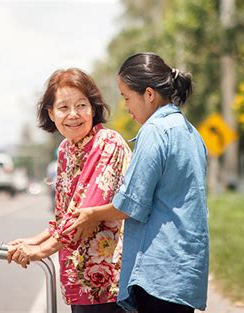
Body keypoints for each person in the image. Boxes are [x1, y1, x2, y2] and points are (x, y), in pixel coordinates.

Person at [65, 52, 209, 313]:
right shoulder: (190, 131)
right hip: (184, 268)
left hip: (158, 272)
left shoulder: (155, 132)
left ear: (149, 95)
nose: (126, 106)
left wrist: (91, 214)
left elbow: (130, 204)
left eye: (127, 97)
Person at [7, 68, 132, 313]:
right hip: (78, 275)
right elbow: (66, 215)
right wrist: (35, 240)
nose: (73, 115)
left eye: (81, 105)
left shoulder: (107, 143)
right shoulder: (66, 150)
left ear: (93, 109)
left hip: (111, 280)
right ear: (51, 113)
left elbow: (84, 216)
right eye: (63, 108)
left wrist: (40, 251)